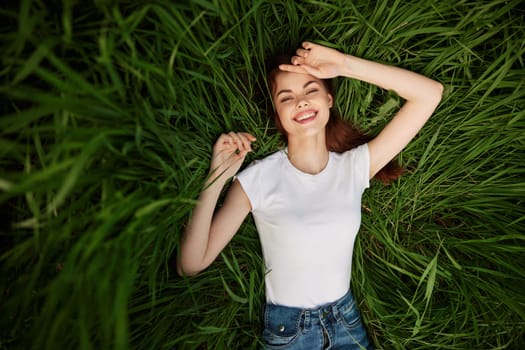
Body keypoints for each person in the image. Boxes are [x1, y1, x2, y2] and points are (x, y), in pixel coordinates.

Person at [177, 41, 443, 349]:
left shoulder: (354, 168)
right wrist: (217, 178)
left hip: (346, 322)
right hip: (290, 333)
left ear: (329, 99)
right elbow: (190, 264)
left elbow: (429, 94)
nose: (301, 102)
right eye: (286, 97)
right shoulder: (259, 179)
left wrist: (343, 64)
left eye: (310, 90)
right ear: (277, 114)